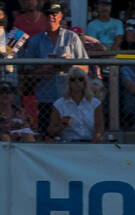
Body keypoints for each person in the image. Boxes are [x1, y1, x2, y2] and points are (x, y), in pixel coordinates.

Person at [24, 2, 87, 137]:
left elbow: (85, 67)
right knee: (46, 138)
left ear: (60, 16)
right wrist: (44, 70)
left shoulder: (72, 37)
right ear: (42, 17)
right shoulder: (35, 41)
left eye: (54, 14)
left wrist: (70, 65)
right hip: (46, 99)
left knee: (74, 137)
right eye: (47, 14)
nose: (51, 17)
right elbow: (27, 74)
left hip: (70, 99)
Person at [47, 65, 103, 140]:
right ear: (68, 83)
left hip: (90, 143)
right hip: (68, 144)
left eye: (80, 79)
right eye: (73, 79)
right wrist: (61, 125)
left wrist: (96, 138)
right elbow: (51, 132)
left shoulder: (95, 103)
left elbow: (99, 127)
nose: (77, 82)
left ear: (85, 82)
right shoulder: (59, 104)